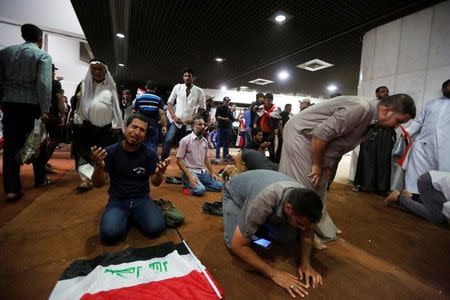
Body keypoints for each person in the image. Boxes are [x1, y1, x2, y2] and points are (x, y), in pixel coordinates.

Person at [279, 94, 416, 246]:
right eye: (399, 121)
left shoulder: (372, 119)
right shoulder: (360, 109)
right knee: (307, 183)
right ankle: (304, 233)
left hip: (314, 141)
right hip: (301, 135)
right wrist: (317, 165)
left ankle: (320, 227)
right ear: (387, 111)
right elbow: (320, 136)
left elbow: (339, 145)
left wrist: (329, 165)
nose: (396, 127)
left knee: (321, 184)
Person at [223, 169, 323, 298]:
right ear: (288, 208)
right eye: (300, 224)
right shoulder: (264, 200)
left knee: (287, 238)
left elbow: (308, 231)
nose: (303, 229)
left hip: (260, 190)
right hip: (234, 195)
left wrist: (306, 262)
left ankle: (256, 221)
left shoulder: (306, 200)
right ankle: (252, 220)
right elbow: (238, 245)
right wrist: (274, 273)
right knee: (233, 241)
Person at [90, 113, 169, 244]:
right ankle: (124, 216)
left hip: (141, 199)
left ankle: (135, 215)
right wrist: (98, 167)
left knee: (156, 229)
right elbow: (98, 184)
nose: (137, 132)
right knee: (109, 235)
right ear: (126, 127)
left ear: (145, 134)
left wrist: (160, 173)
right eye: (134, 127)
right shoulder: (110, 152)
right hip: (118, 200)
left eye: (142, 130)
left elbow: (155, 183)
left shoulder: (150, 154)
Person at [0, 23, 53, 201]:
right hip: (33, 107)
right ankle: (40, 179)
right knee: (37, 141)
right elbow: (44, 84)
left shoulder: (5, 53)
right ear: (40, 39)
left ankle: (12, 189)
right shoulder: (42, 55)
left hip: (10, 105)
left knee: (10, 147)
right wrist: (45, 109)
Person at [71, 59, 124, 190]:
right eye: (94, 69)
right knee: (83, 151)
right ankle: (86, 179)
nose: (97, 71)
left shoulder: (112, 85)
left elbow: (118, 106)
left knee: (106, 153)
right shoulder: (83, 85)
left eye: (100, 69)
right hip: (86, 127)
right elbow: (77, 104)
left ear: (105, 70)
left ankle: (102, 174)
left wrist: (117, 124)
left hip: (107, 129)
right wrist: (78, 120)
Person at [404, 79, 450, 195]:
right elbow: (419, 121)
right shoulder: (431, 104)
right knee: (415, 171)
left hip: (446, 147)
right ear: (443, 89)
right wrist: (407, 131)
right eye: (447, 87)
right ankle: (412, 195)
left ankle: (434, 200)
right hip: (423, 144)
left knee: (440, 174)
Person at [353, 86, 396, 195]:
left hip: (386, 135)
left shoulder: (393, 105)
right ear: (377, 94)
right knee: (367, 160)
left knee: (383, 161)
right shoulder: (372, 104)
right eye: (382, 91)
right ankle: (363, 185)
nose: (385, 93)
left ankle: (382, 188)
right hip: (371, 133)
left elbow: (396, 121)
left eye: (386, 91)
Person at [161, 68, 206, 161]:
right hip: (176, 122)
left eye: (189, 76)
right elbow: (169, 103)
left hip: (189, 124)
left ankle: (186, 169)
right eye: (185, 76)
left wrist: (193, 119)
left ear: (193, 78)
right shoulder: (178, 87)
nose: (187, 78)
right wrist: (174, 117)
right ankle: (162, 163)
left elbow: (203, 108)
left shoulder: (199, 91)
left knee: (188, 146)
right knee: (168, 141)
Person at [177, 118, 223, 196]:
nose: (203, 126)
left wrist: (212, 173)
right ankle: (188, 183)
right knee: (200, 190)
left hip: (202, 172)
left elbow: (206, 159)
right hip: (190, 171)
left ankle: (194, 185)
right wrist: (189, 176)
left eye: (203, 124)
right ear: (192, 127)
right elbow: (179, 160)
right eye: (199, 124)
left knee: (220, 186)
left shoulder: (205, 141)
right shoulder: (185, 140)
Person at [385, 171, 450, 224]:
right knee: (438, 218)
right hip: (428, 182)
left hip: (431, 181)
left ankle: (411, 196)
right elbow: (447, 207)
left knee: (440, 211)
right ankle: (398, 197)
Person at [132, 80, 167, 152]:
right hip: (153, 125)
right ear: (155, 88)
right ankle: (150, 161)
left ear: (146, 87)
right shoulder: (158, 99)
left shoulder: (139, 98)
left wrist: (133, 125)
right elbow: (162, 114)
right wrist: (164, 126)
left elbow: (134, 112)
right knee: (152, 145)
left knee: (140, 143)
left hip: (141, 125)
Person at [215, 96, 234, 162]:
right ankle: (217, 157)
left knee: (226, 143)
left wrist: (238, 119)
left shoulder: (228, 109)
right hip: (221, 127)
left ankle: (225, 156)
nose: (227, 102)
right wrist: (224, 119)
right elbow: (217, 117)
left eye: (228, 101)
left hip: (227, 128)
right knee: (219, 142)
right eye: (226, 101)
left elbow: (232, 118)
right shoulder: (219, 108)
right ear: (223, 101)